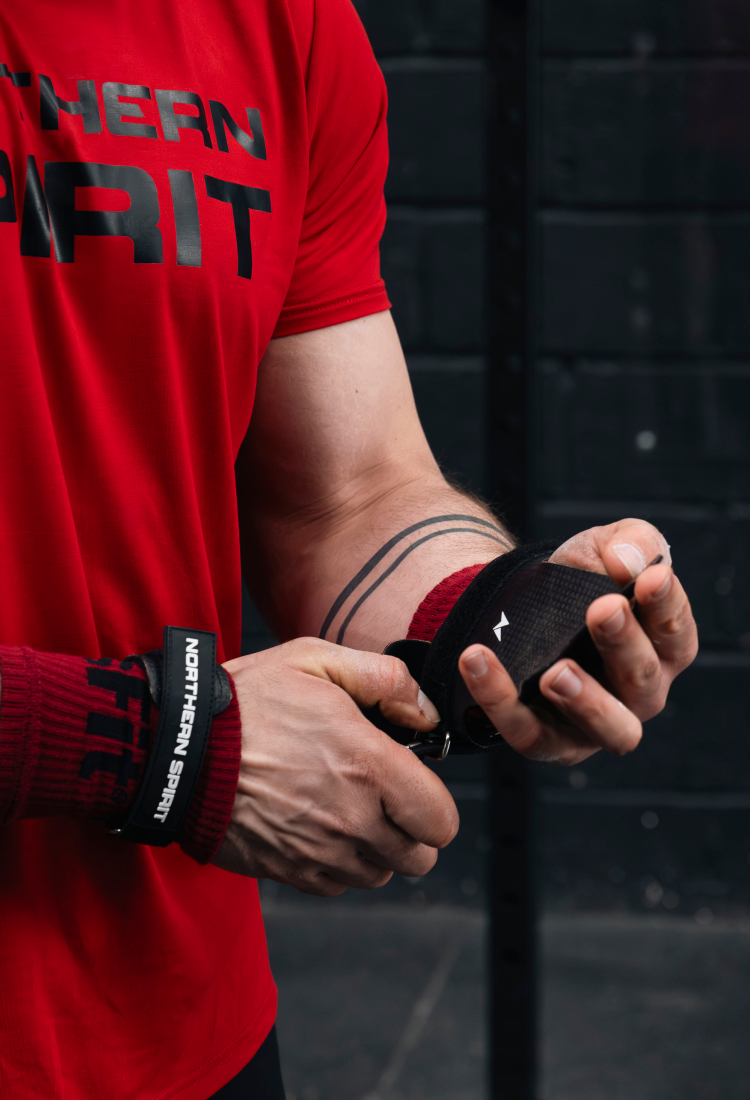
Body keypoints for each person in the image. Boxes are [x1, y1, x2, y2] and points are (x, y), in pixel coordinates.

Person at [0, 1, 698, 1097]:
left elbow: (347, 496)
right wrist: (161, 746)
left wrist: (512, 620)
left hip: (172, 1020)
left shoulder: (285, 25)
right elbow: (178, 746)